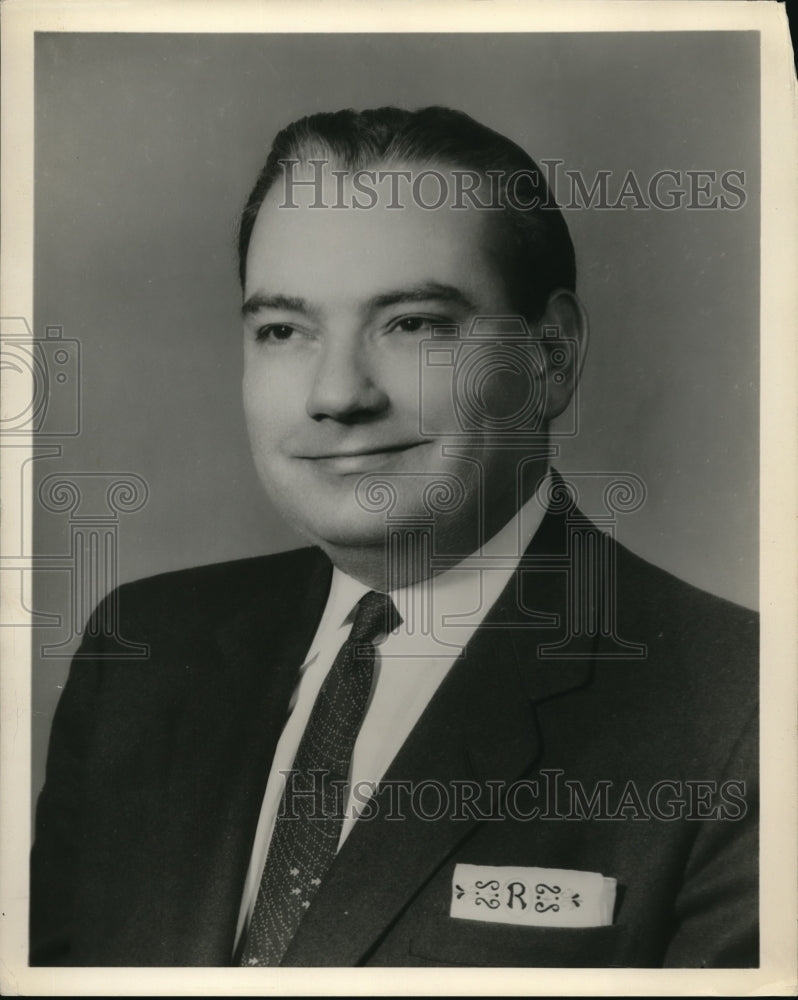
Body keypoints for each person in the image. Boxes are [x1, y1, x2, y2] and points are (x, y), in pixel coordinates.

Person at [29, 106, 758, 968]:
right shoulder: (143, 650)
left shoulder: (741, 712)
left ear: (552, 356)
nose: (337, 394)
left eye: (413, 323)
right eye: (283, 331)